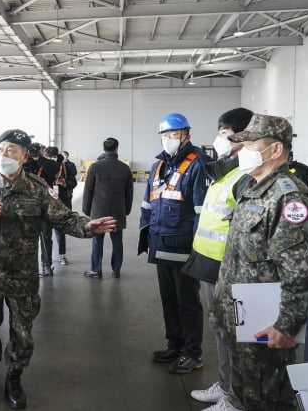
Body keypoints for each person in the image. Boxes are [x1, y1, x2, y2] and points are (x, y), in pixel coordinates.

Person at [0, 129, 116, 409]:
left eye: (12, 150)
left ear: (24, 156)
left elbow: (63, 219)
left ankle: (14, 379)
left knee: (22, 332)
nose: (5, 154)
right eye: (2, 148)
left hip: (23, 276)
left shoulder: (37, 187)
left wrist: (87, 226)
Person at [210, 114, 308, 411]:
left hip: (266, 326)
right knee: (247, 393)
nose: (243, 149)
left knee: (267, 398)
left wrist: (286, 325)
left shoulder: (289, 198)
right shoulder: (251, 187)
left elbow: (300, 270)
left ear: (276, 150)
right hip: (241, 318)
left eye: (251, 142)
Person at [182, 108, 253, 411]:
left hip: (229, 269)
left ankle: (235, 399)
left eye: (223, 132)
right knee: (221, 333)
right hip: (211, 265)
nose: (219, 138)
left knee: (234, 337)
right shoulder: (224, 171)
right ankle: (225, 386)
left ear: (242, 136)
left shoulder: (244, 175)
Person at [139, 113, 210, 374]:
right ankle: (175, 344)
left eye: (175, 135)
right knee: (169, 300)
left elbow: (202, 212)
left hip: (184, 248)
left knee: (187, 303)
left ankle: (193, 353)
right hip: (161, 243)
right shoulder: (158, 165)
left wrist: (199, 250)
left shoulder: (198, 164)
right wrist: (146, 237)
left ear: (187, 136)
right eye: (165, 135)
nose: (169, 139)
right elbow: (148, 203)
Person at [82, 137, 134, 279]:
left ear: (103, 149)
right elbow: (129, 193)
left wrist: (87, 210)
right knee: (117, 240)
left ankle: (96, 270)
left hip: (99, 210)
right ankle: (116, 269)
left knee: (97, 240)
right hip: (118, 210)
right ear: (117, 149)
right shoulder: (125, 168)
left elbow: (88, 191)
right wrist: (126, 210)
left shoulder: (95, 167)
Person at [25, 142, 60, 276]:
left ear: (41, 151)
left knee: (46, 236)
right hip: (27, 204)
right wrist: (30, 158)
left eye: (37, 150)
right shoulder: (25, 161)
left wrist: (39, 158)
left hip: (45, 204)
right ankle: (29, 266)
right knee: (28, 237)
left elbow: (53, 170)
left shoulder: (48, 163)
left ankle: (46, 264)